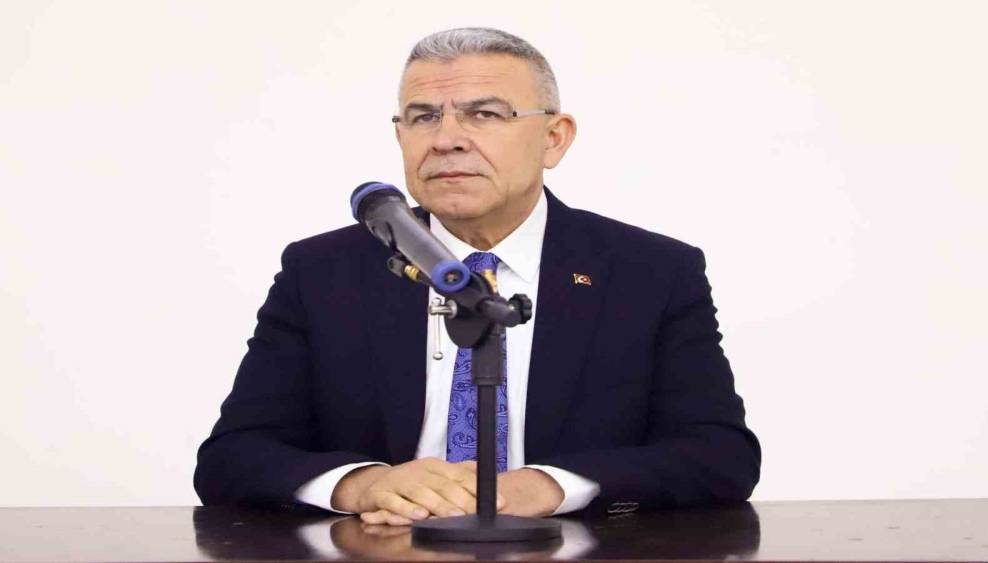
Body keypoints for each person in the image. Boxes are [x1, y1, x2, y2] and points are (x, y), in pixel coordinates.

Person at [194, 27, 760, 525]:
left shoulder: (650, 272)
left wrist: (549, 486)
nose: (446, 139)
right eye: (423, 117)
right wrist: (363, 484)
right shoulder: (323, 271)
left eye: (485, 114)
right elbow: (232, 457)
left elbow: (720, 455)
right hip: (384, 544)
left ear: (554, 138)